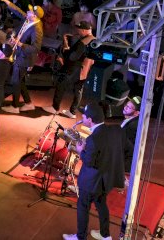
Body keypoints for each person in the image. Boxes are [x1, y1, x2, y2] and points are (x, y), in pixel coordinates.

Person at [63, 103, 128, 240]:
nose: (82, 118)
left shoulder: (93, 139)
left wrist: (81, 150)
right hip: (106, 181)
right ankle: (106, 235)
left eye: (84, 116)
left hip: (91, 183)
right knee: (101, 205)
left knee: (83, 208)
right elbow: (123, 149)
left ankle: (80, 237)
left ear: (90, 120)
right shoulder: (115, 130)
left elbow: (89, 161)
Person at [0, 0, 43, 114]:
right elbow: (18, 10)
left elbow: (36, 48)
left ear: (34, 16)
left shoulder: (37, 29)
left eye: (29, 12)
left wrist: (20, 43)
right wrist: (5, 0)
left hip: (24, 58)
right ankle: (28, 103)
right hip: (21, 55)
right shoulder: (29, 19)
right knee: (20, 80)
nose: (26, 12)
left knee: (15, 81)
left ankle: (15, 106)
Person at [43, 21, 96, 118]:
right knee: (78, 89)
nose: (78, 31)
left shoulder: (82, 42)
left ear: (84, 30)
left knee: (61, 83)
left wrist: (66, 50)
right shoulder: (94, 41)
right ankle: (72, 112)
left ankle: (55, 107)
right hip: (87, 69)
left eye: (79, 30)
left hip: (74, 68)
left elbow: (73, 57)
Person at [121, 95, 141, 171]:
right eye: (126, 105)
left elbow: (125, 147)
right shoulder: (129, 119)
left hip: (123, 164)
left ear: (137, 113)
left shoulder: (132, 127)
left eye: (129, 107)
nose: (125, 107)